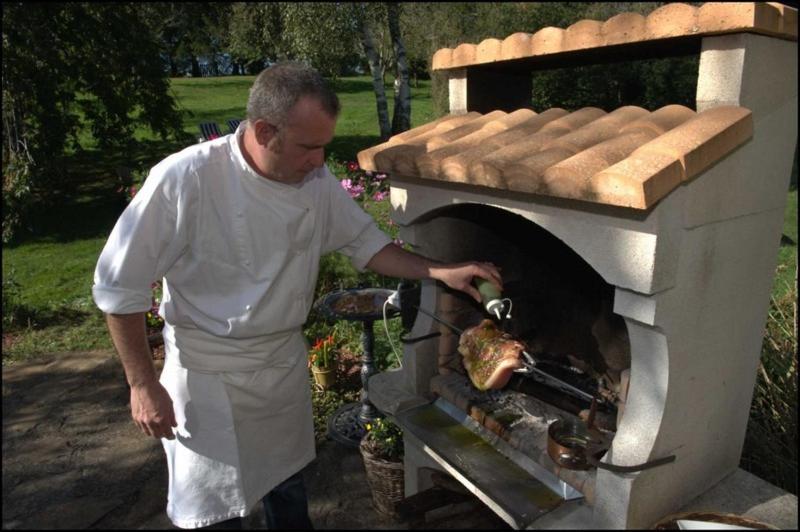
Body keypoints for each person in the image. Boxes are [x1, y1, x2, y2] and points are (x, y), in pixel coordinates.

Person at [92, 61, 502, 530]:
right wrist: (143, 385)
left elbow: (367, 246)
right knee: (215, 514)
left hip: (280, 372)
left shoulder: (314, 183)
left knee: (287, 492)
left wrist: (440, 270)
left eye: (324, 147)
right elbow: (117, 287)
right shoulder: (186, 180)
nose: (320, 162)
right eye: (310, 147)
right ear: (265, 131)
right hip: (208, 383)